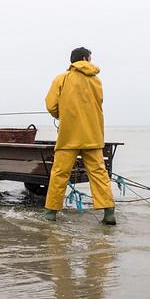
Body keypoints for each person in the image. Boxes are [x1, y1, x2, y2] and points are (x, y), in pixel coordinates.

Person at [38, 47, 116, 225]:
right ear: (84, 58)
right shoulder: (96, 81)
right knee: (99, 174)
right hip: (93, 136)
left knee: (59, 174)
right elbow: (99, 103)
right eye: (90, 58)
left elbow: (51, 105)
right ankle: (109, 213)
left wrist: (60, 114)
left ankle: (50, 213)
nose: (90, 61)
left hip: (69, 136)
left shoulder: (62, 79)